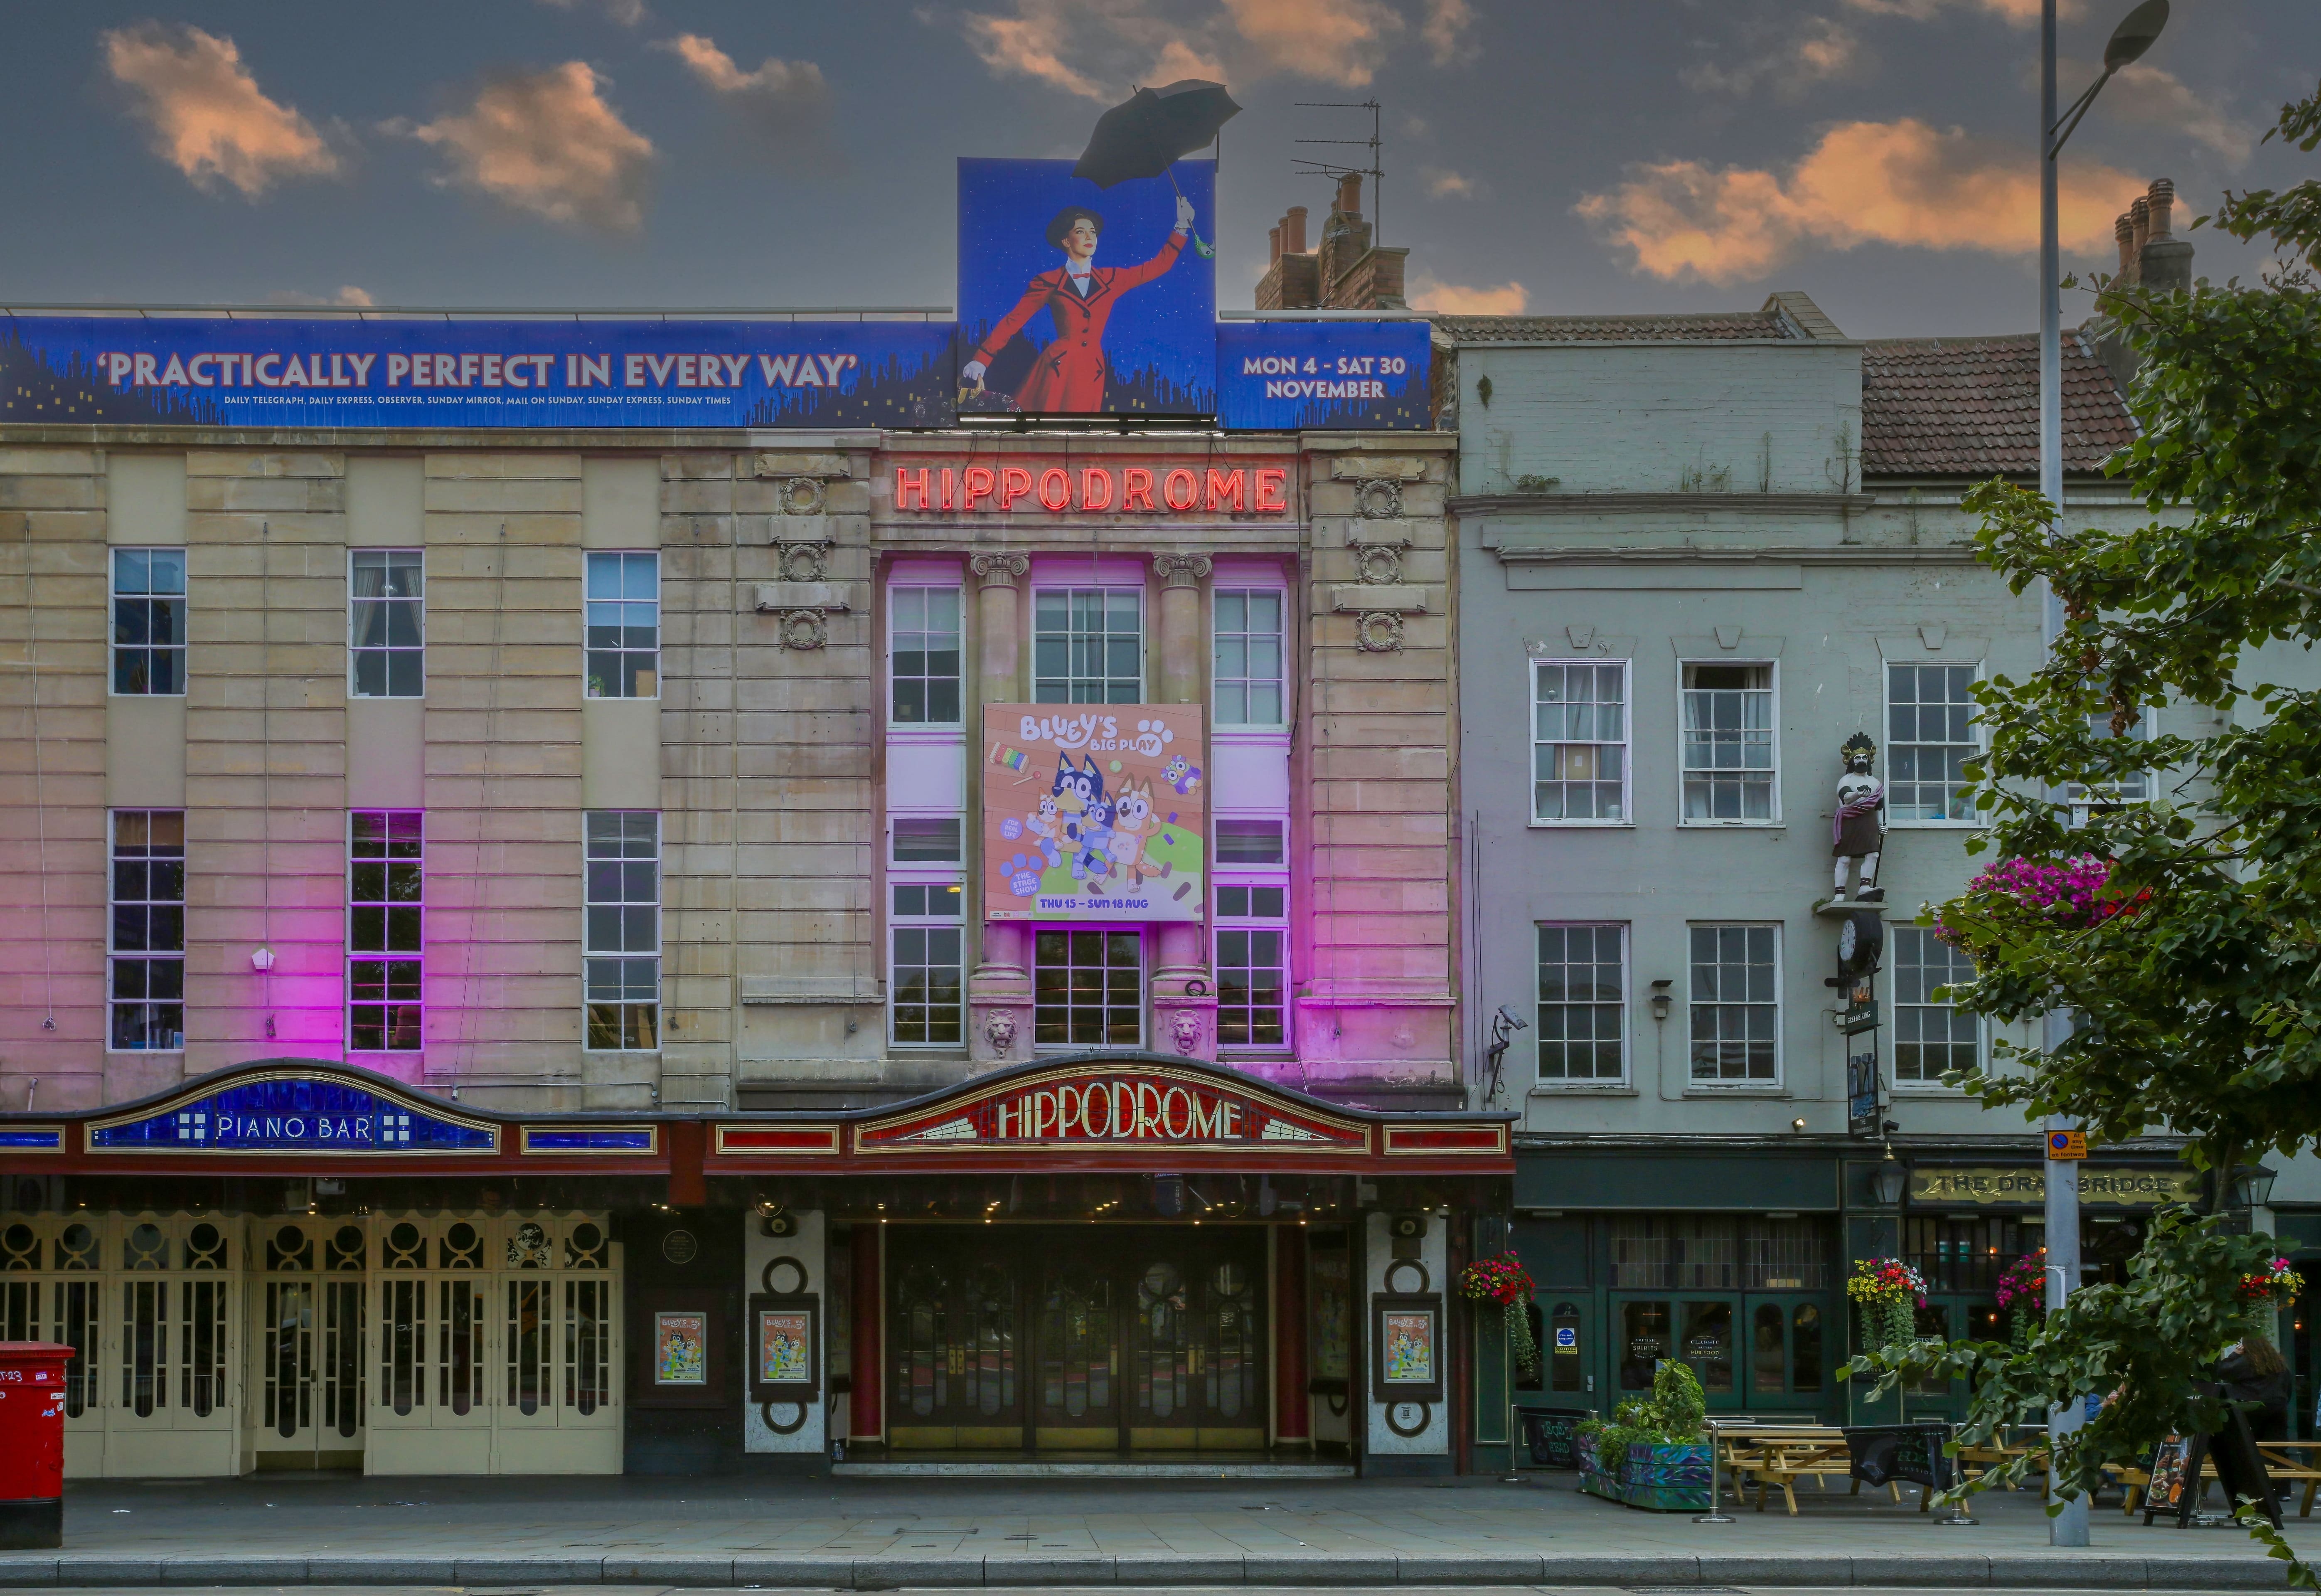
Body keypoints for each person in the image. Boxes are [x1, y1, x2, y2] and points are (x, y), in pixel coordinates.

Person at [961, 194, 1195, 413]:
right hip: (1057, 368)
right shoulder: (1048, 281)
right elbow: (1015, 320)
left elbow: (1158, 266)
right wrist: (982, 357)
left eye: (1092, 232)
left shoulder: (1113, 279)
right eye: (1081, 232)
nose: (1089, 237)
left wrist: (1181, 227)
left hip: (1091, 370)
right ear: (1066, 240)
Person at [2217, 1332, 2293, 1441]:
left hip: (2250, 1408)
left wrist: (2235, 1355)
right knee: (2275, 1446)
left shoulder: (2247, 1362)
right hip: (2277, 1407)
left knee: (2241, 1442)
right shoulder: (2279, 1364)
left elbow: (2222, 1371)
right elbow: (2288, 1388)